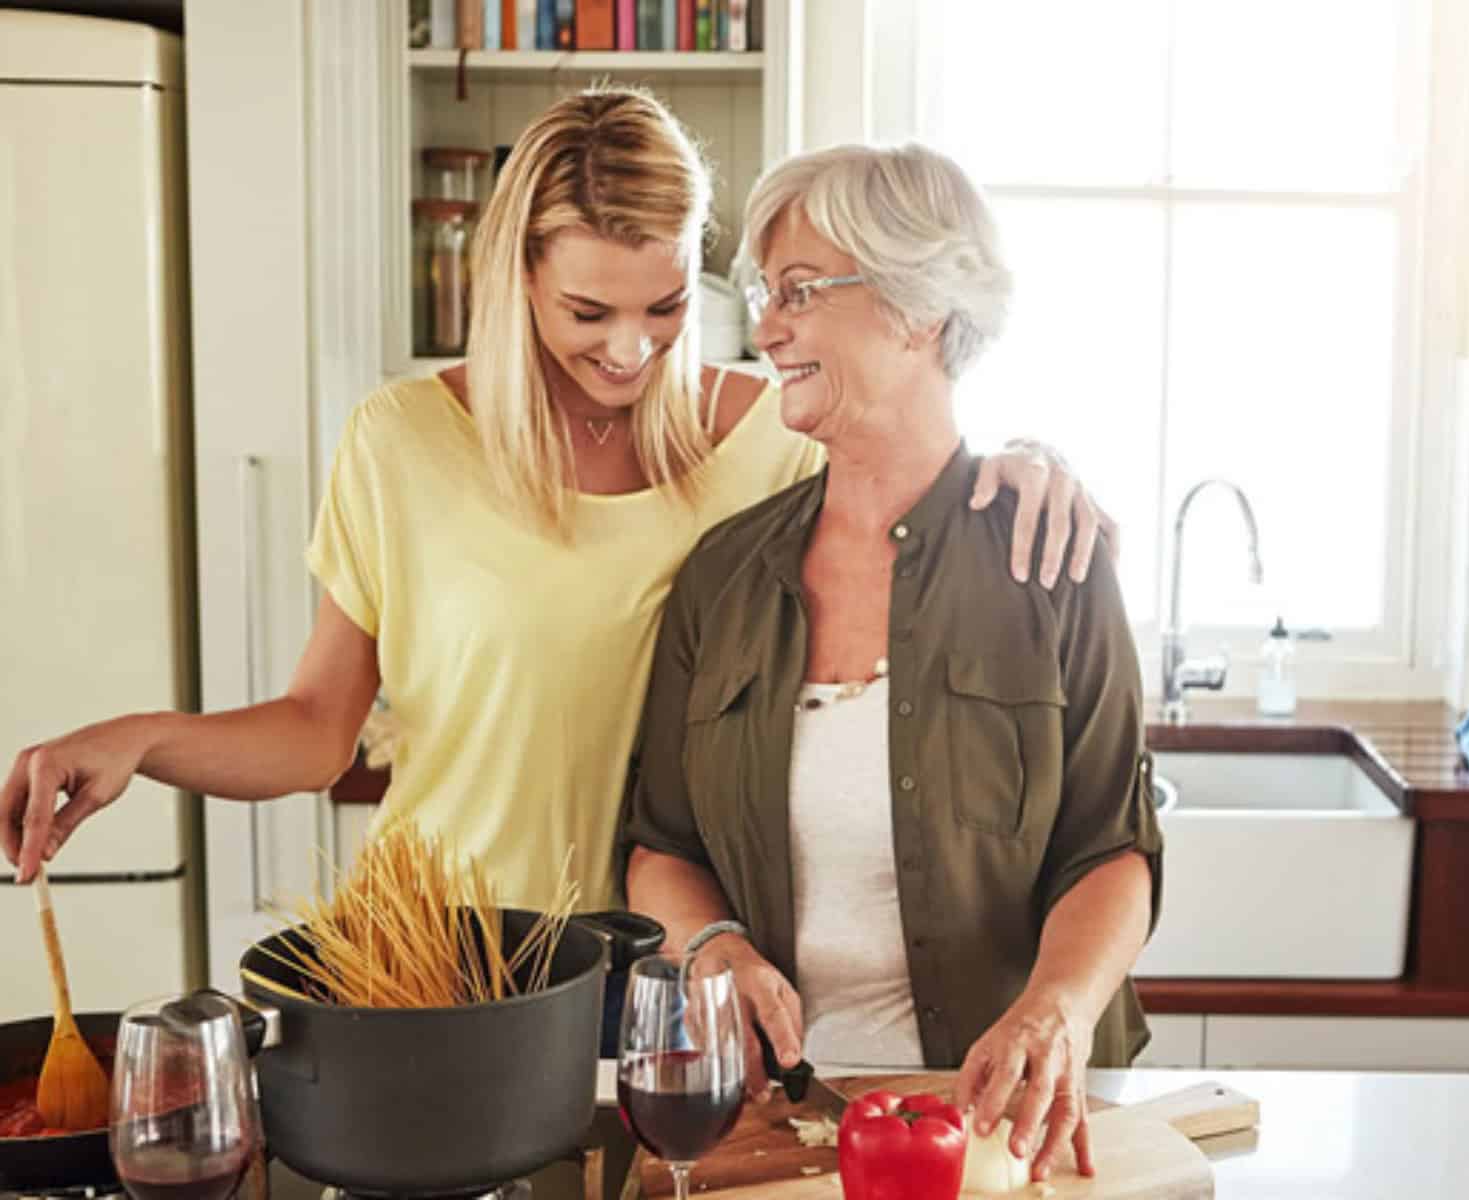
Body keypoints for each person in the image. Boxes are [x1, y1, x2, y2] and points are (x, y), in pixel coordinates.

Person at [0, 88, 1111, 913]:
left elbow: (907, 442)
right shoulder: (404, 441)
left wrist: (1030, 456)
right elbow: (313, 733)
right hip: (439, 948)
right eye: (587, 312)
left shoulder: (772, 437)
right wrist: (142, 739)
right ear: (517, 279)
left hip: (673, 960)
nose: (631, 352)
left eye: (667, 306)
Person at [620, 141, 1162, 1184]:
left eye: (801, 291)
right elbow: (661, 842)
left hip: (1015, 1126)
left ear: (918, 308)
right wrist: (713, 947)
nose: (766, 327)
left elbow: (1114, 847)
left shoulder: (1049, 556)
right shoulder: (724, 577)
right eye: (763, 294)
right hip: (781, 1127)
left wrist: (1057, 1009)